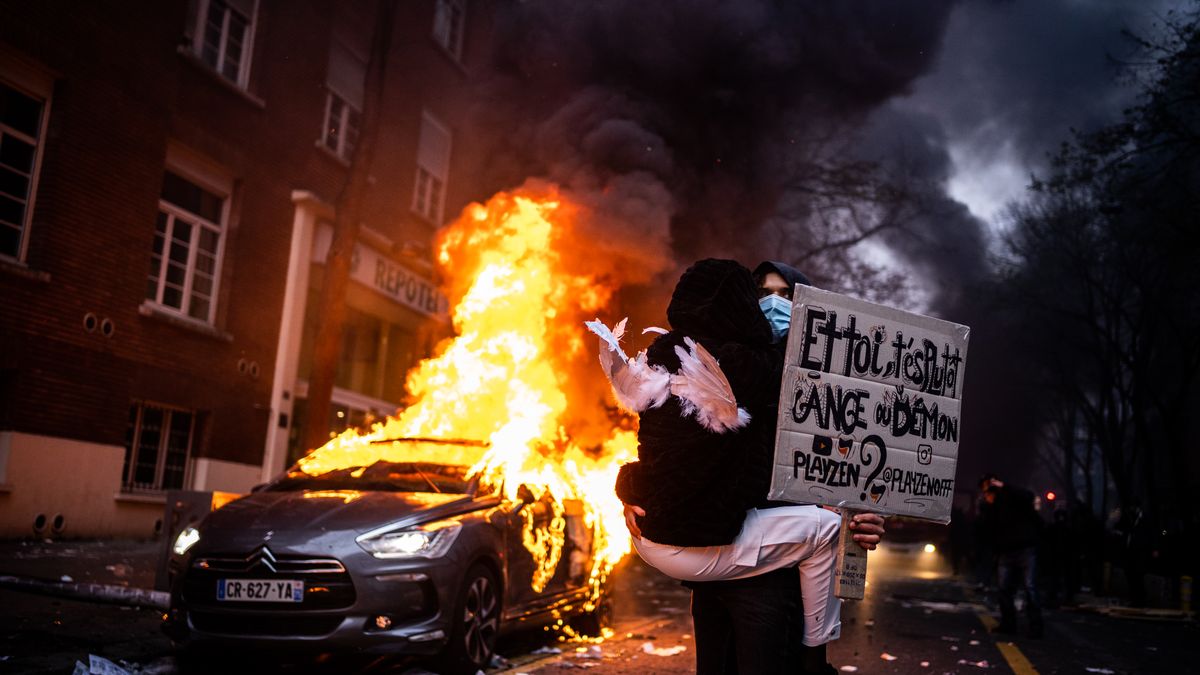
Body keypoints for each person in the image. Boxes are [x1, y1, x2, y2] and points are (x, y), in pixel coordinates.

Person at [605, 259, 883, 675]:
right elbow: (674, 455)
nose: (774, 303)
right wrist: (634, 491)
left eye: (786, 295)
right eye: (762, 294)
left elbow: (863, 467)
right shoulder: (712, 364)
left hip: (783, 582)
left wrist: (863, 516)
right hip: (718, 571)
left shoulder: (834, 384)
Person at [978, 474, 1043, 637]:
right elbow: (987, 529)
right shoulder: (992, 508)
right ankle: (1008, 624)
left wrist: (1004, 486)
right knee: (1004, 589)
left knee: (1030, 589)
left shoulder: (1014, 498)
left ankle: (1035, 628)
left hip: (1025, 549)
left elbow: (1027, 496)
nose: (987, 494)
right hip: (1006, 551)